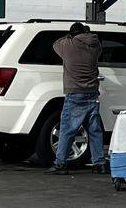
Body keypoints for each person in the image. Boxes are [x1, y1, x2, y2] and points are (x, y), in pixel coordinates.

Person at [45, 22, 107, 175]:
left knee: (67, 130)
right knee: (94, 131)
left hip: (75, 94)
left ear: (72, 34)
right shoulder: (95, 46)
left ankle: (60, 164)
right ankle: (100, 164)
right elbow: (96, 44)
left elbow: (55, 44)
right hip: (92, 94)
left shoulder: (67, 45)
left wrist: (70, 36)